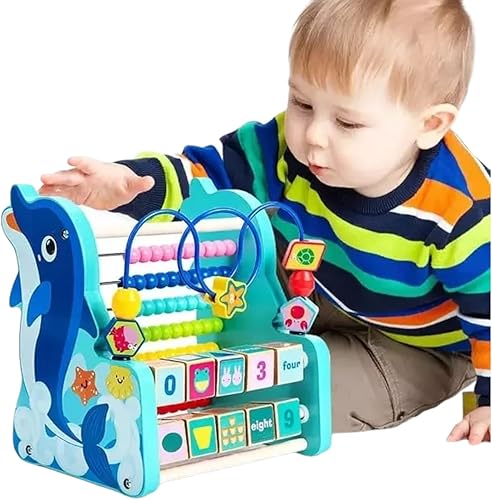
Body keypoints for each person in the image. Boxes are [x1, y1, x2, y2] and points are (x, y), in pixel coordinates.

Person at [39, 0, 490, 442]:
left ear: (430, 125)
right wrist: (130, 184)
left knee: (299, 393)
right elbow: (208, 172)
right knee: (240, 297)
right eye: (302, 103)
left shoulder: (464, 214)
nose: (313, 135)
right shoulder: (287, 151)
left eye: (348, 123)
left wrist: (485, 404)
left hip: (421, 344)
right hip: (320, 289)